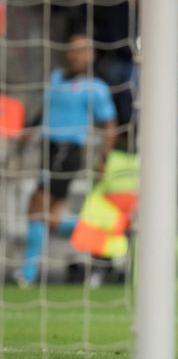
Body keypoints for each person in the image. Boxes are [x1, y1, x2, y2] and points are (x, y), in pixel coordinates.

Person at [16, 33, 117, 287]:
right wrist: (30, 130)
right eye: (72, 49)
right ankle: (102, 241)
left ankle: (27, 274)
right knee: (49, 217)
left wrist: (104, 157)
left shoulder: (96, 87)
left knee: (37, 207)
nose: (75, 54)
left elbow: (110, 125)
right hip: (48, 148)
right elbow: (45, 111)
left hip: (68, 151)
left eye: (81, 50)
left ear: (91, 55)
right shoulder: (57, 78)